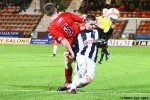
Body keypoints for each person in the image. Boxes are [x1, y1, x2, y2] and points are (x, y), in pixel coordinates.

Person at [43, 3, 85, 91]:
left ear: (46, 14)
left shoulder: (52, 27)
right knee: (68, 60)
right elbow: (82, 20)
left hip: (73, 44)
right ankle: (69, 82)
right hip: (83, 38)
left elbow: (64, 41)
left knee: (72, 62)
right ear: (55, 9)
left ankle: (71, 84)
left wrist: (71, 52)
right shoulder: (67, 14)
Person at [67, 14, 104, 94]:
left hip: (92, 58)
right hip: (81, 56)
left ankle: (71, 85)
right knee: (82, 70)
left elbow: (104, 42)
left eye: (94, 24)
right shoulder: (80, 35)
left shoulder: (98, 31)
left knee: (89, 79)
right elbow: (75, 48)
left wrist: (103, 42)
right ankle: (72, 88)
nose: (93, 26)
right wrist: (73, 56)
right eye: (91, 24)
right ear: (86, 23)